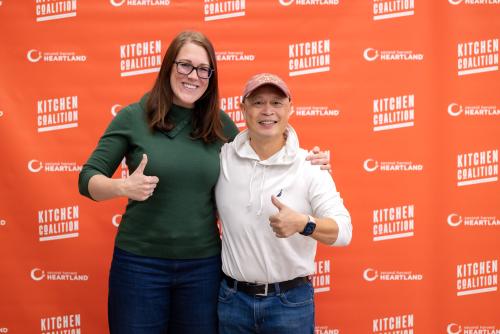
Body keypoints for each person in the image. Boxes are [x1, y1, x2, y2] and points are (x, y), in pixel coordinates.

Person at [78, 31, 330, 334]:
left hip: (202, 268)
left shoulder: (219, 124)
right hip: (140, 265)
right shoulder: (134, 117)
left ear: (211, 77)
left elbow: (262, 145)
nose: (193, 76)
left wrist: (307, 158)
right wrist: (121, 187)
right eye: (185, 65)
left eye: (203, 69)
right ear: (169, 67)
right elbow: (87, 178)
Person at [215, 73, 353, 334]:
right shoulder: (223, 158)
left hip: (289, 304)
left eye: (277, 103)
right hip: (232, 300)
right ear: (242, 109)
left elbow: (344, 232)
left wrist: (304, 223)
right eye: (257, 102)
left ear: (291, 108)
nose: (268, 111)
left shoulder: (311, 166)